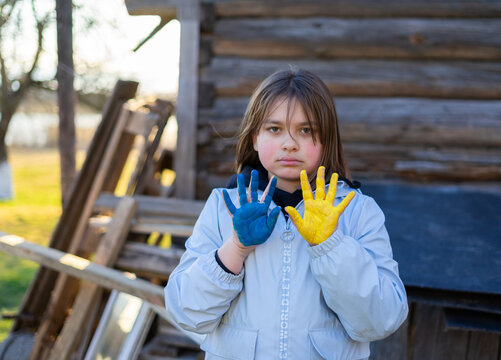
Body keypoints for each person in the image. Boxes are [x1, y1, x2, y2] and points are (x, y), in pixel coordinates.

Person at [165, 67, 408, 359]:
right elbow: (188, 314)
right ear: (255, 138)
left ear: (327, 139)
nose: (289, 143)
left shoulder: (356, 211)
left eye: (306, 130)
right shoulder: (224, 208)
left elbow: (380, 321)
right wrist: (236, 248)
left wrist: (330, 245)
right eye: (274, 129)